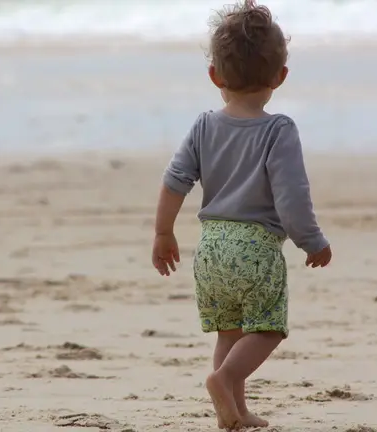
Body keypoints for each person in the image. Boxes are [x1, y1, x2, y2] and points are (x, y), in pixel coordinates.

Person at [150, 0, 332, 430]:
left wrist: (163, 232)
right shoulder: (278, 130)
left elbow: (175, 180)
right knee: (268, 329)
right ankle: (225, 379)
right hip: (255, 248)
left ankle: (235, 409)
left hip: (211, 247)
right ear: (280, 76)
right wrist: (311, 240)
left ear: (214, 75)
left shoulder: (202, 126)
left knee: (229, 331)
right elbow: (292, 197)